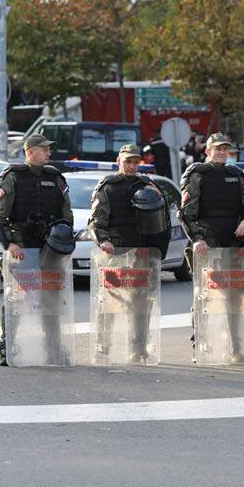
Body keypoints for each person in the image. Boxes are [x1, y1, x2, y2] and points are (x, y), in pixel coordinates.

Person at [0, 134, 74, 366]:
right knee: (16, 299)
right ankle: (9, 345)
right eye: (44, 149)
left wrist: (63, 240)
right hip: (23, 249)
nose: (49, 154)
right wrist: (10, 244)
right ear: (30, 152)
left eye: (49, 149)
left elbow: (66, 214)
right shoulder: (13, 177)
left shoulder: (56, 178)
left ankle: (53, 347)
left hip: (50, 249)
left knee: (51, 298)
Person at [179, 133, 244, 359]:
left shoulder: (235, 175)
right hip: (207, 244)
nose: (221, 153)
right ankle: (202, 347)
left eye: (225, 149)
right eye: (217, 149)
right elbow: (186, 213)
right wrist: (197, 239)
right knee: (205, 296)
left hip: (232, 243)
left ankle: (237, 348)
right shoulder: (197, 175)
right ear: (208, 151)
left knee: (236, 297)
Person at [88, 144, 170, 361]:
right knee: (108, 302)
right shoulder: (108, 187)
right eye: (128, 161)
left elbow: (163, 222)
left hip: (142, 255)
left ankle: (138, 349)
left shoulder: (148, 185)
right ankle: (103, 348)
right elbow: (96, 221)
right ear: (119, 161)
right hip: (115, 255)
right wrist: (103, 240)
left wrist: (159, 251)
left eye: (135, 162)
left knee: (141, 304)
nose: (132, 166)